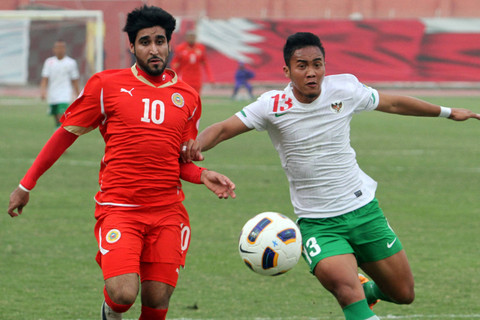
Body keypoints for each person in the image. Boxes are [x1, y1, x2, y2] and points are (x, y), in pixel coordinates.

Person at [181, 32, 480, 320]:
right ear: (287, 70)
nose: (311, 72)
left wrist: (447, 111)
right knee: (346, 292)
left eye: (317, 64)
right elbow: (222, 128)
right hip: (319, 225)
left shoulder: (345, 89)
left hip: (365, 212)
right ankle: (357, 291)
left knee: (403, 293)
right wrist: (196, 146)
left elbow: (394, 103)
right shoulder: (272, 105)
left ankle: (368, 289)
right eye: (302, 66)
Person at [8, 6, 236, 320]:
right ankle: (109, 312)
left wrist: (203, 174)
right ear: (132, 46)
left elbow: (178, 161)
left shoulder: (188, 98)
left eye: (160, 40)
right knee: (123, 295)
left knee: (157, 300)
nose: (154, 49)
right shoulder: (106, 86)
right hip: (120, 209)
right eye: (145, 42)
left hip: (167, 211)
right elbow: (64, 135)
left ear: (170, 43)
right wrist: (25, 185)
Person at [40, 40, 81, 128]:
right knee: (56, 118)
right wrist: (43, 91)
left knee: (61, 116)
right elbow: (45, 78)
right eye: (57, 47)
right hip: (53, 94)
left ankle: (60, 136)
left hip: (65, 93)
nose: (60, 49)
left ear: (65, 49)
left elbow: (75, 80)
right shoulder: (49, 62)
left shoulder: (71, 63)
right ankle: (57, 133)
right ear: (54, 49)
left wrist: (78, 94)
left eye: (62, 47)